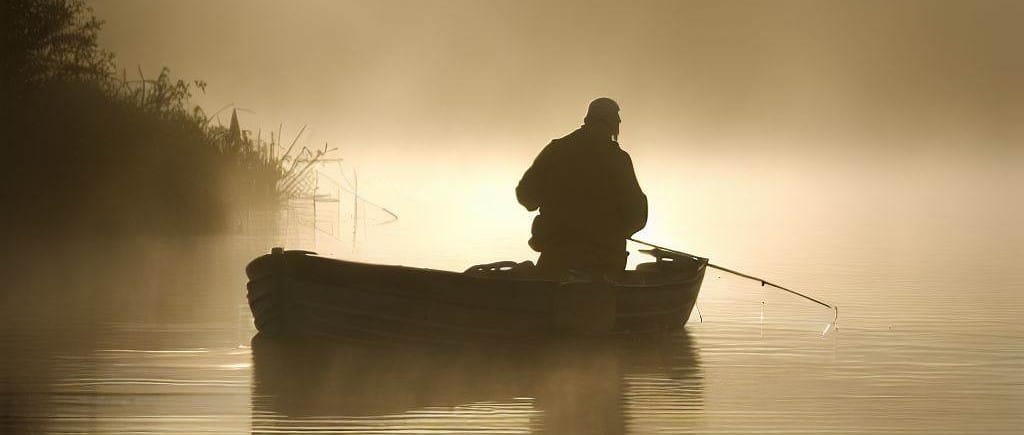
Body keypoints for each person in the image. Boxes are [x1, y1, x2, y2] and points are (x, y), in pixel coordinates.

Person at [516, 97, 647, 277]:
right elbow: (637, 214)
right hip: (604, 263)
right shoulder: (617, 159)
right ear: (608, 122)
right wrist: (615, 232)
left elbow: (526, 195)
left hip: (555, 258)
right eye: (617, 119)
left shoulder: (556, 150)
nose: (619, 123)